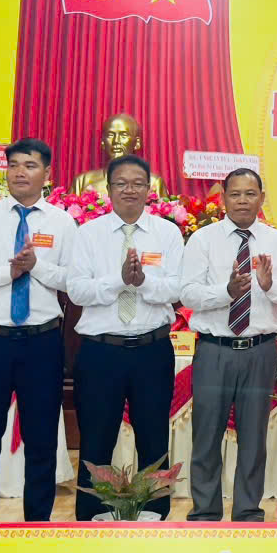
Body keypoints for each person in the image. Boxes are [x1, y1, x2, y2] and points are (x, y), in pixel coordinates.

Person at [0, 138, 75, 522]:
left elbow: (74, 281)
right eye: (14, 164)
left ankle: (36, 527)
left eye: (30, 165)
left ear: (47, 173)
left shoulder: (62, 222)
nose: (20, 172)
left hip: (42, 343)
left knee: (41, 443)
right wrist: (9, 271)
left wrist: (37, 266)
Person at [180, 167, 277, 521]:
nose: (243, 201)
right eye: (235, 194)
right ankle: (205, 514)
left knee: (253, 438)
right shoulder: (203, 240)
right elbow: (187, 293)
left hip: (260, 350)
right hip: (214, 350)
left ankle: (248, 513)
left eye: (250, 194)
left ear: (262, 198)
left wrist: (270, 286)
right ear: (223, 198)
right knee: (206, 436)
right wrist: (227, 292)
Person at [67, 154, 183, 521]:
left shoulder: (167, 233)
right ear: (109, 188)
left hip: (152, 350)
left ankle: (156, 518)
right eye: (121, 183)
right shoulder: (88, 234)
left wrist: (143, 281)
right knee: (96, 442)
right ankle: (90, 521)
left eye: (137, 183)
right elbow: (77, 291)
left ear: (149, 189)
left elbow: (178, 288)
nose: (129, 190)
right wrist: (119, 281)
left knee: (154, 442)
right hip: (101, 352)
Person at [69, 113, 167, 198]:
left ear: (137, 143)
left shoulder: (153, 183)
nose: (116, 141)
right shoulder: (82, 181)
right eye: (110, 135)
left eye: (123, 135)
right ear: (103, 142)